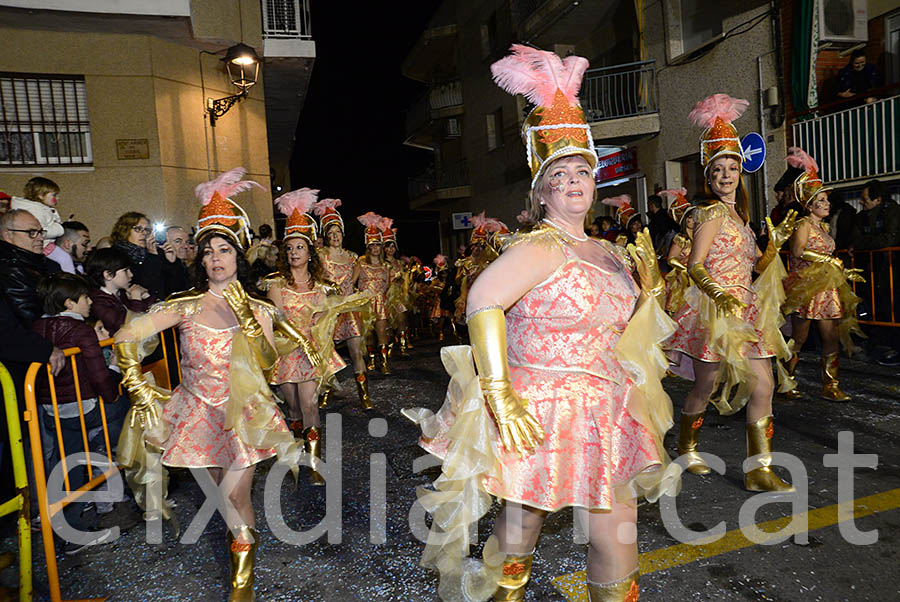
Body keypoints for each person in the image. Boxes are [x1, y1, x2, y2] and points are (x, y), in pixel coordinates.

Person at [405, 45, 679, 602]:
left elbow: (625, 328)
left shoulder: (609, 251)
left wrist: (652, 292)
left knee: (617, 532)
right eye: (561, 173)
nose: (575, 181)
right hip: (541, 408)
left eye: (583, 170)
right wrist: (500, 396)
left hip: (606, 407)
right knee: (521, 526)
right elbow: (482, 301)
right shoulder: (540, 246)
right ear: (542, 188)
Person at [113, 167, 313, 601]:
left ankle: (242, 586)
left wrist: (249, 322)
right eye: (207, 252)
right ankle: (240, 551)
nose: (214, 258)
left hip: (244, 412)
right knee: (225, 499)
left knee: (235, 495)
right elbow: (127, 336)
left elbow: (265, 363)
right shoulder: (184, 305)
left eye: (223, 250)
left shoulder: (257, 307)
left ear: (238, 257)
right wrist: (138, 385)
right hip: (198, 412)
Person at [667, 93, 797, 491]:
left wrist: (775, 243)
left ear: (741, 172)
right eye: (718, 169)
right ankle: (687, 447)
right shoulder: (709, 214)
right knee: (705, 386)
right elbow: (695, 265)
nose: (726, 175)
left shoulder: (741, 217)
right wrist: (718, 296)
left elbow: (757, 267)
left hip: (747, 311)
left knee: (765, 384)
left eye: (732, 167)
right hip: (717, 312)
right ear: (708, 177)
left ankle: (759, 469)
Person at [264, 188, 365, 485]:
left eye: (300, 247)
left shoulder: (322, 286)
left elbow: (325, 317)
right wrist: (301, 338)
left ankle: (314, 463)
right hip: (286, 352)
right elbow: (279, 319)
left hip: (311, 354)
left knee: (310, 403)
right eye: (290, 248)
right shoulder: (276, 285)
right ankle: (296, 450)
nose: (295, 252)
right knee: (293, 406)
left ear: (310, 252)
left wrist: (319, 335)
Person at [32, 273, 129, 553]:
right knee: (128, 420)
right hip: (84, 406)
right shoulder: (81, 330)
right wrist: (114, 382)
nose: (90, 302)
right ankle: (129, 483)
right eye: (85, 298)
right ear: (70, 302)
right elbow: (98, 375)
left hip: (52, 409)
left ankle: (69, 528)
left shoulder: (36, 327)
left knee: (64, 464)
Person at [779, 148, 865, 401]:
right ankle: (786, 381)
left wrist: (842, 269)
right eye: (822, 202)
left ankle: (831, 385)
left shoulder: (824, 227)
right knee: (800, 337)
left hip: (827, 288)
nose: (827, 204)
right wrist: (830, 259)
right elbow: (796, 251)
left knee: (831, 336)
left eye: (827, 201)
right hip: (805, 288)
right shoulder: (803, 224)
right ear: (810, 206)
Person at [313, 198, 374, 409]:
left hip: (349, 309)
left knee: (357, 351)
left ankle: (364, 395)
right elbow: (316, 279)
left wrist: (351, 291)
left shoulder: (352, 257)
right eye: (330, 234)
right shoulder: (320, 255)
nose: (334, 236)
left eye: (337, 232)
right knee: (327, 351)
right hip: (330, 309)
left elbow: (354, 279)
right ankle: (326, 390)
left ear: (342, 234)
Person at [850, 179, 900, 366]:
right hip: (873, 271)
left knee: (894, 308)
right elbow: (854, 238)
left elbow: (888, 239)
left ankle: (895, 347)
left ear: (878, 199)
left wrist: (861, 244)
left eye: (865, 199)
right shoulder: (862, 216)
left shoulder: (892, 212)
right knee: (877, 307)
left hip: (891, 269)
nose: (861, 202)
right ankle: (881, 342)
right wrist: (861, 243)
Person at [0, 209, 62, 326]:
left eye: (40, 232)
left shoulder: (48, 264)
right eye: (31, 232)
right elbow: (30, 320)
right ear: (8, 235)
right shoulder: (10, 272)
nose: (40, 238)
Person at [354, 213, 393, 374]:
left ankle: (384, 362)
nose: (375, 248)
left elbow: (389, 286)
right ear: (368, 246)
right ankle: (370, 359)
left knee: (382, 331)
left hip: (381, 302)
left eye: (378, 245)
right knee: (368, 333)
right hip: (366, 303)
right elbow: (352, 282)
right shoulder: (361, 263)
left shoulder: (386, 265)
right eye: (372, 245)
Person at [109, 212, 180, 299]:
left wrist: (171, 263)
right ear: (125, 230)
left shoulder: (157, 252)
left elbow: (176, 288)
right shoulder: (116, 255)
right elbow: (145, 286)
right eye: (138, 229)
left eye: (147, 230)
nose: (144, 233)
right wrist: (152, 256)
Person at [85, 247, 152, 334]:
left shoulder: (122, 294)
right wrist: (136, 299)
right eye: (125, 271)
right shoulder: (97, 303)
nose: (131, 274)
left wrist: (146, 297)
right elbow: (125, 325)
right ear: (108, 275)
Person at [660, 188, 695, 315]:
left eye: (694, 217)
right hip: (684, 279)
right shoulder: (680, 238)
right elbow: (671, 259)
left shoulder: (701, 236)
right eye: (690, 218)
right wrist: (685, 270)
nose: (693, 220)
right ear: (684, 220)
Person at [381, 219, 413, 355]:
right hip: (386, 296)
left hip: (399, 296)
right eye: (387, 247)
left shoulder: (399, 263)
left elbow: (406, 279)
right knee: (387, 323)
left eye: (392, 246)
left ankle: (403, 346)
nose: (390, 249)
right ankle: (388, 348)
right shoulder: (381, 263)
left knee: (402, 319)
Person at [10, 177, 64, 252]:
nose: (57, 198)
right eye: (54, 195)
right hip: (43, 247)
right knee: (64, 259)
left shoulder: (42, 209)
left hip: (45, 245)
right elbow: (40, 231)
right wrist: (59, 229)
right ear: (40, 195)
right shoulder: (36, 211)